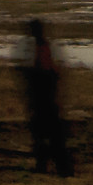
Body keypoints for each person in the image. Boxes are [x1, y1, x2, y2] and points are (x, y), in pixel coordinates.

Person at [23, 18, 73, 175]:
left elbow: (47, 71)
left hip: (44, 97)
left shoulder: (42, 48)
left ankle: (55, 167)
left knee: (47, 134)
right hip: (46, 96)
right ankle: (53, 167)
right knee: (49, 135)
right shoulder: (44, 47)